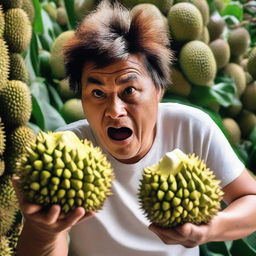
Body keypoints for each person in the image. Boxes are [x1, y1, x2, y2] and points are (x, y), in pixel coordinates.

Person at [15, 1, 256, 255]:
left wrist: (210, 229)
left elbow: (250, 201)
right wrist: (43, 230)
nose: (115, 110)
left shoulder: (192, 128)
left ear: (158, 90)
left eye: (128, 90)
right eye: (97, 92)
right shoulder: (61, 158)